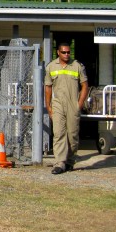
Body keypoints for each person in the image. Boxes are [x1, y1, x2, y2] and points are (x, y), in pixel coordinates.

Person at [44, 42, 89, 175]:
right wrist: (48, 106)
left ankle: (70, 161)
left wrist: (79, 104)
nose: (66, 54)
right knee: (58, 133)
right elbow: (48, 87)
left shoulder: (77, 66)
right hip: (57, 104)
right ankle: (59, 163)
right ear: (58, 52)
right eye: (64, 52)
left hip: (72, 104)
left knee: (72, 135)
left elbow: (85, 85)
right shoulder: (51, 66)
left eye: (68, 52)